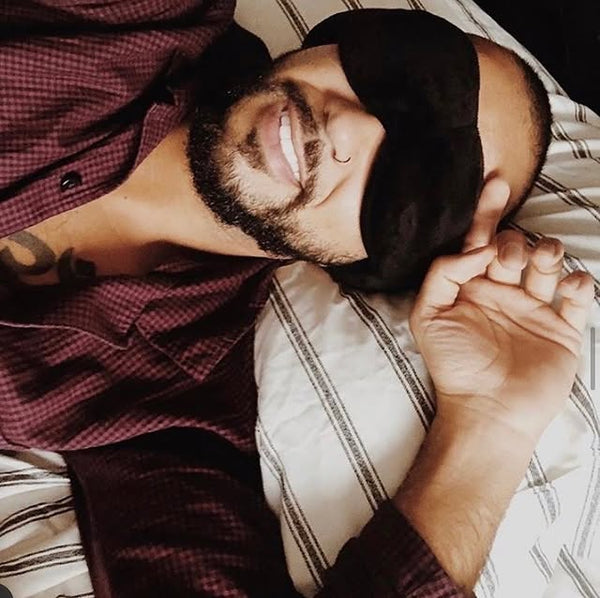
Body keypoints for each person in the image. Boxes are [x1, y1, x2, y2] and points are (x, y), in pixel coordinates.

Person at [0, 2, 593, 597]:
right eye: (407, 71)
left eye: (422, 182)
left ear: (389, 265)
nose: (349, 125)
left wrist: (489, 428)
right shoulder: (124, 21)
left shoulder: (159, 412)